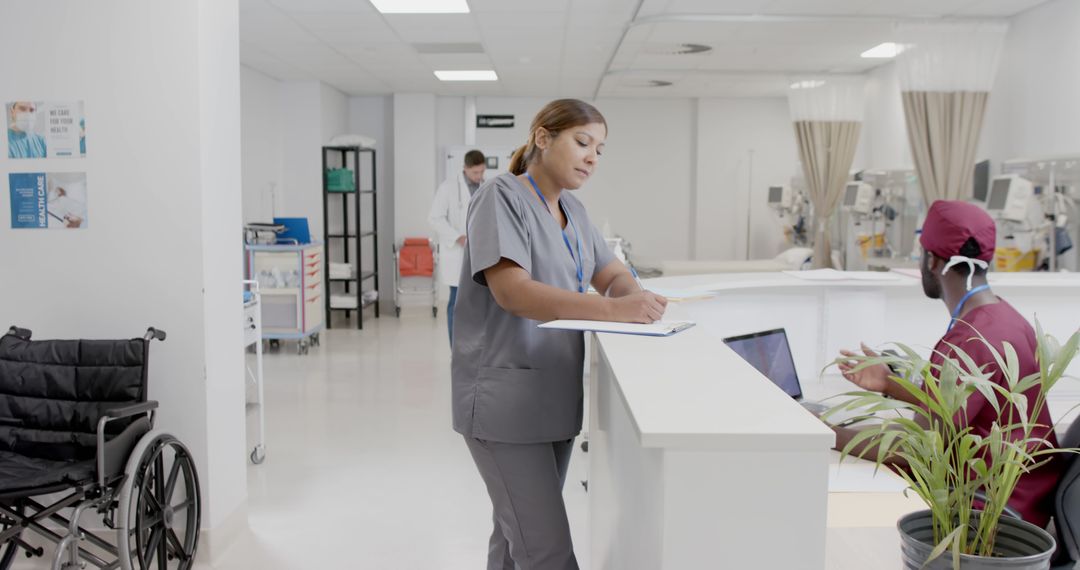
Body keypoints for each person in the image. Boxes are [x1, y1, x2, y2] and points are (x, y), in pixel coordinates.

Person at [451, 99, 667, 570]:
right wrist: (614, 309)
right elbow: (513, 292)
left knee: (514, 543)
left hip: (552, 399)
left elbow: (611, 274)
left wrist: (636, 298)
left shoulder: (573, 208)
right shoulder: (500, 196)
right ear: (543, 138)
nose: (592, 157)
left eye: (600, 150)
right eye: (583, 142)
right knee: (547, 552)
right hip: (504, 401)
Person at [831, 200, 1063, 527]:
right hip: (1025, 503)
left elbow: (920, 448)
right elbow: (955, 409)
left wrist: (829, 434)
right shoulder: (1005, 318)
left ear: (932, 260)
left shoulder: (971, 339)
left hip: (989, 516)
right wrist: (888, 383)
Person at [428, 149, 486, 345]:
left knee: (479, 301)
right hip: (457, 251)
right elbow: (435, 218)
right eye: (475, 173)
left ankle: (475, 346)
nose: (479, 177)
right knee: (456, 300)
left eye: (481, 172)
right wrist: (456, 237)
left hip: (480, 252)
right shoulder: (448, 188)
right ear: (465, 169)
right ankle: (456, 348)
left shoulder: (485, 186)